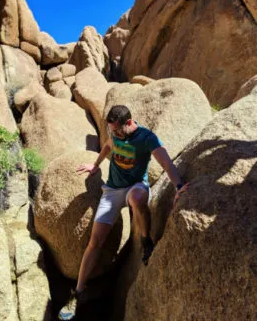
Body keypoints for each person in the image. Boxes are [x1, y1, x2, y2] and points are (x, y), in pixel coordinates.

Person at [58, 105, 188, 320]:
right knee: (95, 241)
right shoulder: (114, 133)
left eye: (118, 130)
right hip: (112, 191)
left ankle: (146, 241)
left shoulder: (147, 137)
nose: (114, 134)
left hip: (136, 185)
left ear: (129, 123)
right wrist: (95, 164)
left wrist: (178, 185)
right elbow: (108, 146)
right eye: (111, 130)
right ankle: (78, 292)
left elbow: (165, 161)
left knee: (137, 199)